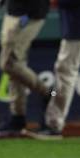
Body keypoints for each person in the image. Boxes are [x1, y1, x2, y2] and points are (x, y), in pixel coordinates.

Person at [0, 0, 52, 137]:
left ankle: (46, 94)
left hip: (31, 13)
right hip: (13, 10)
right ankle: (17, 116)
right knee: (14, 65)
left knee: (9, 63)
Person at [25, 0, 80, 140]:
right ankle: (53, 123)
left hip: (76, 28)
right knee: (69, 73)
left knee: (65, 71)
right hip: (73, 25)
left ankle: (54, 125)